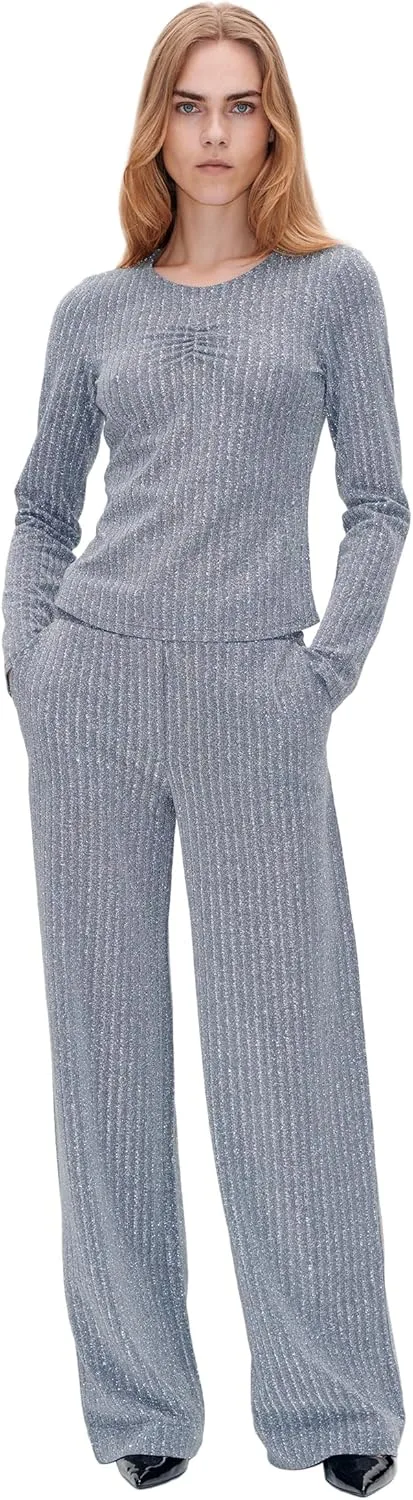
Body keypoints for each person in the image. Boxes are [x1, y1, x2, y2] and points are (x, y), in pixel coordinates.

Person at [2, 6, 409, 1495]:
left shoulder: (333, 290)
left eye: (243, 104)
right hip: (92, 697)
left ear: (276, 124)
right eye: (191, 104)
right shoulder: (93, 313)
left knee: (289, 1055)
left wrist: (324, 675)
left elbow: (380, 501)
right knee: (105, 1057)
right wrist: (31, 667)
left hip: (257, 698)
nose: (218, 131)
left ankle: (334, 1401)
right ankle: (141, 1410)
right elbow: (42, 506)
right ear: (157, 127)